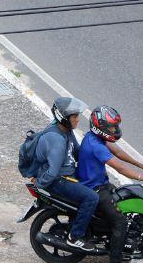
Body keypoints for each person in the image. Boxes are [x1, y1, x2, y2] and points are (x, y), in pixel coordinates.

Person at [77, 105, 143, 263]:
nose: (115, 130)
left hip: (101, 184)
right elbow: (120, 168)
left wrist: (142, 164)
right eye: (111, 127)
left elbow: (117, 151)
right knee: (120, 222)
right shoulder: (95, 144)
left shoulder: (96, 138)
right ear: (100, 126)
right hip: (95, 189)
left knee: (126, 201)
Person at [33, 96, 98, 249]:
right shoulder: (55, 138)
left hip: (68, 175)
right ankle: (74, 237)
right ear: (64, 118)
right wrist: (40, 184)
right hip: (59, 180)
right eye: (74, 116)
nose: (78, 119)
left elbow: (77, 152)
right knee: (91, 198)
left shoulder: (66, 130)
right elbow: (53, 171)